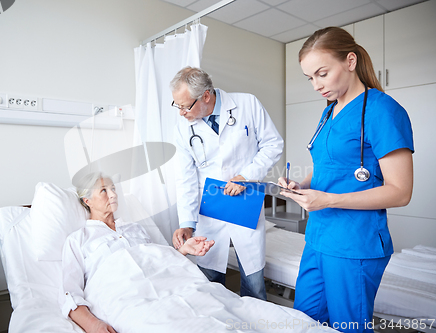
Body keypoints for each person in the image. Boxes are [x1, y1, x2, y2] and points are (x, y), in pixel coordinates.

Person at [278, 27, 414, 332]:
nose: (316, 85)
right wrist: (302, 185)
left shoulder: (383, 111)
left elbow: (400, 191)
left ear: (350, 61)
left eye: (322, 74)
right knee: (306, 320)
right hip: (317, 237)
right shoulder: (328, 113)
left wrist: (329, 199)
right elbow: (327, 166)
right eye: (310, 78)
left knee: (347, 327)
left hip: (354, 243)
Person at [170, 66, 283, 300]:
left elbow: (273, 144)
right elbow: (186, 177)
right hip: (209, 211)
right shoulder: (183, 126)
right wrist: (187, 223)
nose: (181, 112)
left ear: (206, 96)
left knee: (254, 285)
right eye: (177, 105)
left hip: (245, 203)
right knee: (209, 284)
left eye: (185, 106)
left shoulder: (248, 105)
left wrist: (247, 175)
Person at [61, 172, 215, 333]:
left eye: (113, 188)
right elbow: (70, 293)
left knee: (213, 307)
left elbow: (157, 263)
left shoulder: (135, 228)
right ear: (88, 201)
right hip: (127, 299)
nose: (113, 194)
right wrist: (94, 325)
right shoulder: (78, 240)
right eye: (104, 191)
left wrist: (182, 250)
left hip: (171, 288)